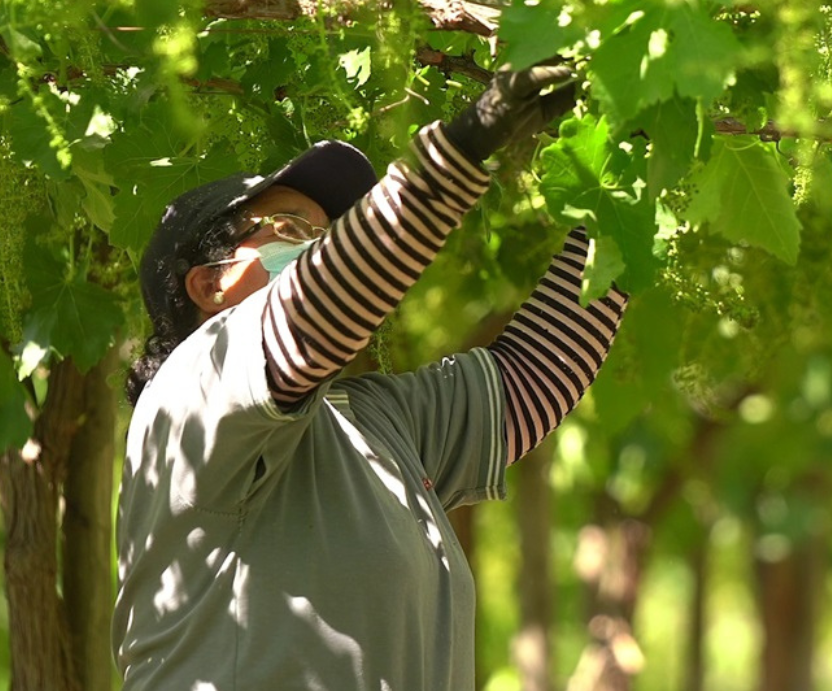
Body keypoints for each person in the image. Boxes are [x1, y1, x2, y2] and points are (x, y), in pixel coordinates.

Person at [113, 64, 629, 690]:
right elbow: (331, 297)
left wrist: (622, 196)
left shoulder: (373, 419)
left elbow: (531, 377)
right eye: (292, 229)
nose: (319, 247)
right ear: (211, 283)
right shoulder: (190, 392)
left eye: (328, 235)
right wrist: (471, 137)